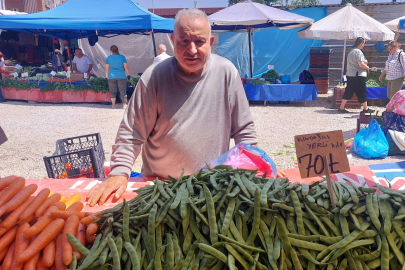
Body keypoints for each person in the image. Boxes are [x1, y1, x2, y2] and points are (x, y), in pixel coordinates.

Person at [87, 8, 258, 206]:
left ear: (210, 42)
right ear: (172, 41)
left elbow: (244, 130)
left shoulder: (226, 72)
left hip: (212, 188)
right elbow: (132, 132)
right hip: (159, 188)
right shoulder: (154, 77)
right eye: (183, 41)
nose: (192, 50)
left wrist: (254, 165)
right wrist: (119, 173)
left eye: (199, 42)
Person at [339, 37, 375, 113]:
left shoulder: (351, 51)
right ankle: (365, 108)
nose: (364, 45)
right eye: (364, 43)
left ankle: (341, 107)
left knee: (349, 90)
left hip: (351, 75)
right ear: (361, 43)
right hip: (358, 75)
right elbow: (361, 64)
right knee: (362, 91)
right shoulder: (358, 52)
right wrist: (367, 68)